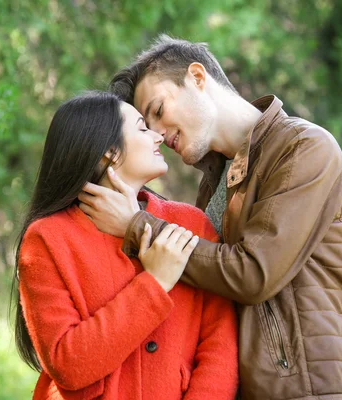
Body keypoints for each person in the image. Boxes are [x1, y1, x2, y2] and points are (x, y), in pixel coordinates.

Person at [78, 36, 342, 400]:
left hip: (299, 391)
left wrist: (136, 225)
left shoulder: (304, 149)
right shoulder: (216, 182)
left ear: (197, 77)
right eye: (147, 126)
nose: (159, 134)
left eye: (159, 110)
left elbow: (253, 272)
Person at [14, 91, 238, 399]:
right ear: (109, 151)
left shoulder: (190, 224)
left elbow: (220, 349)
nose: (158, 136)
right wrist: (155, 283)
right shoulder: (47, 239)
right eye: (142, 128)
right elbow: (67, 363)